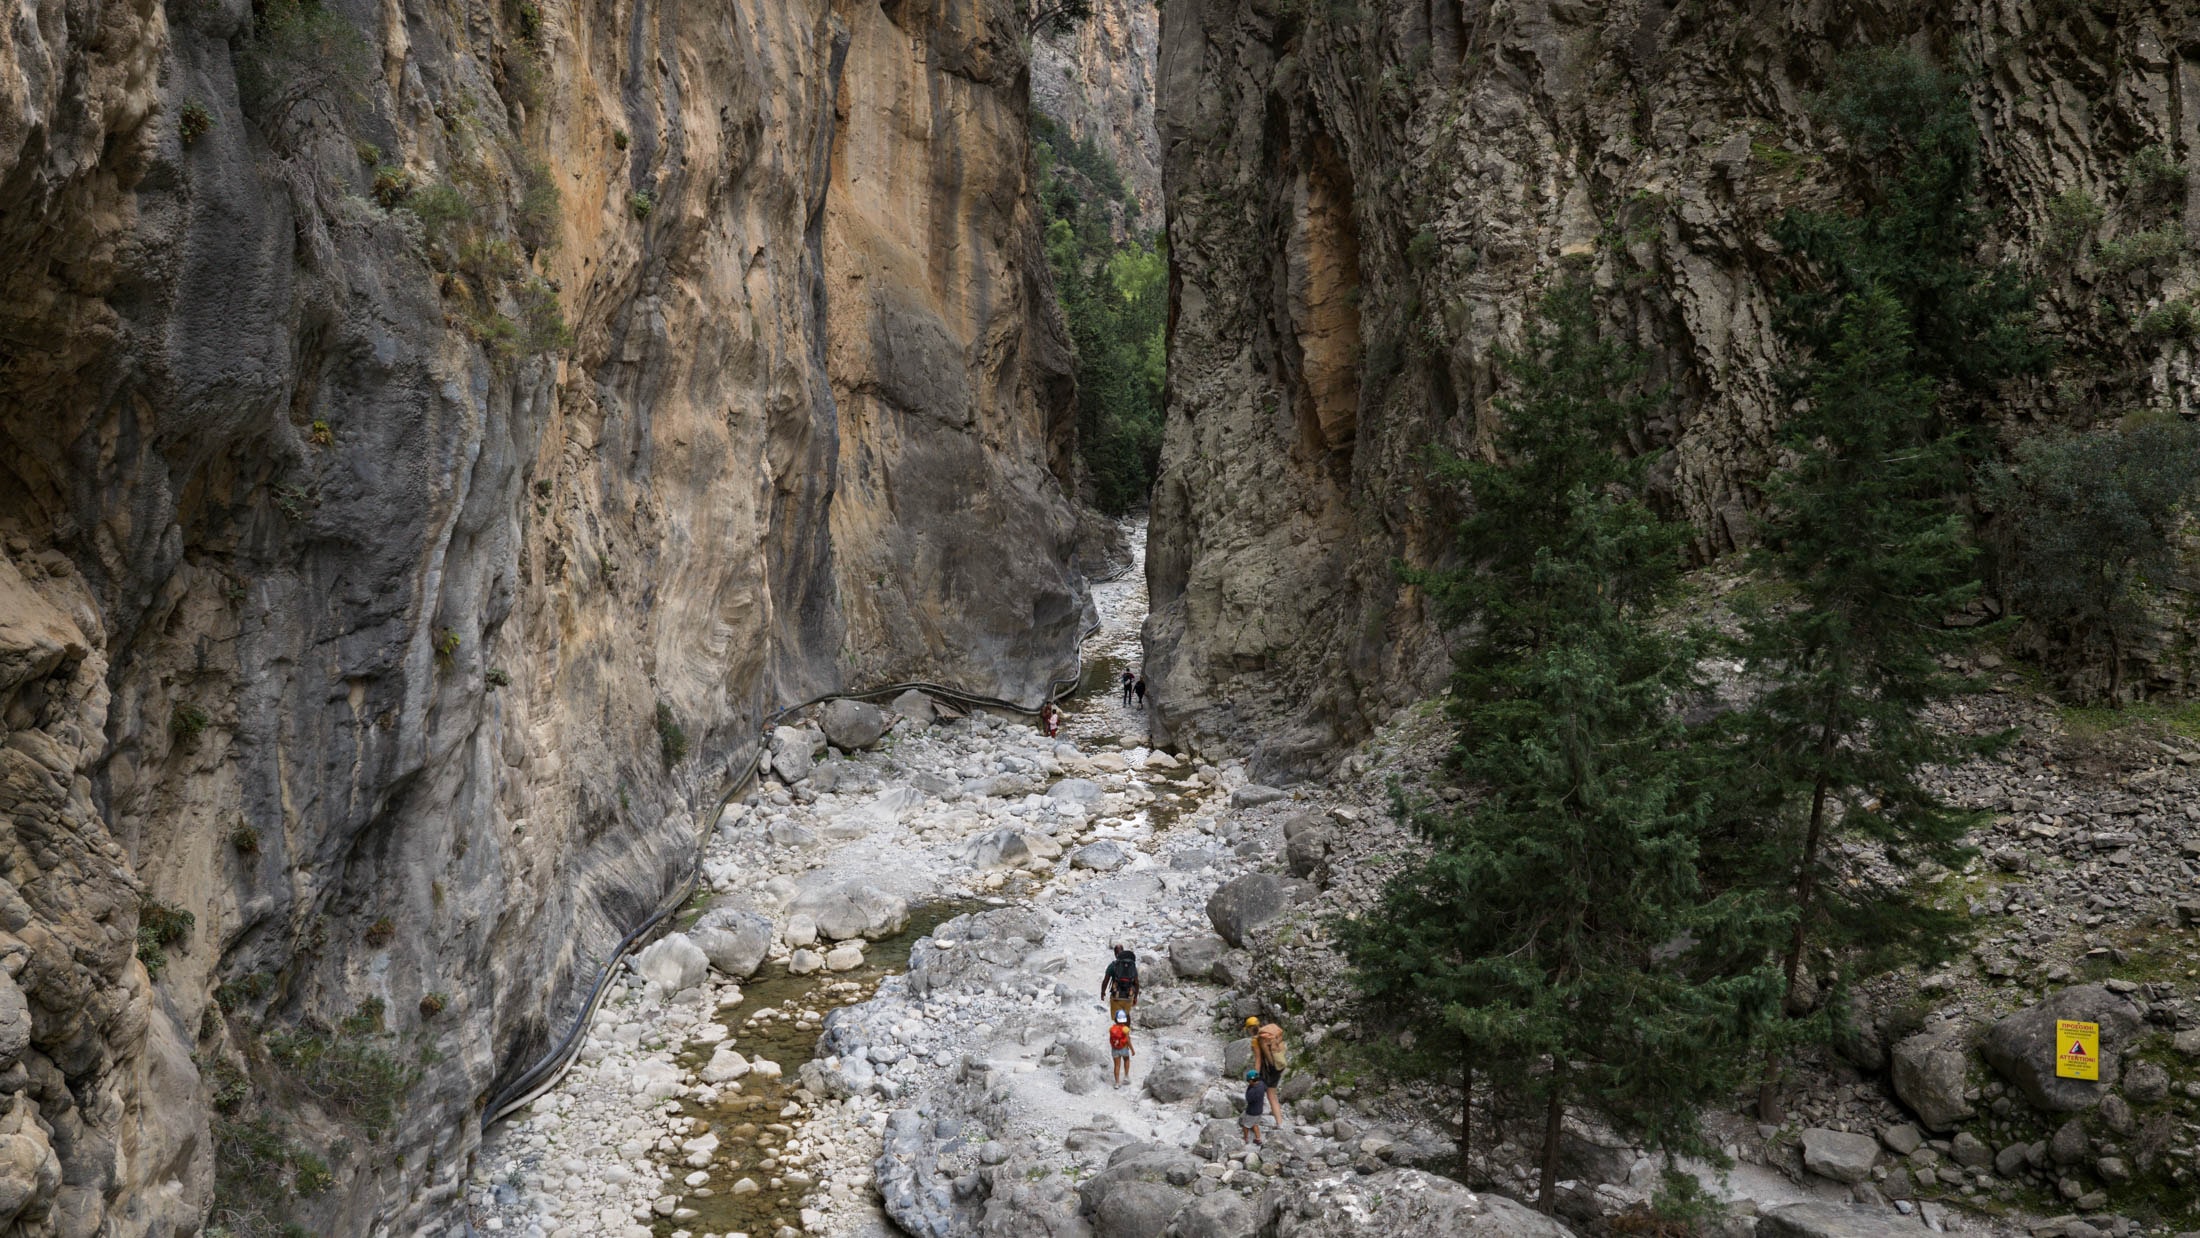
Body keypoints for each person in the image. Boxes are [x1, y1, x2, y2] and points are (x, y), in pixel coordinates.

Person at [1248, 1016, 1288, 1123]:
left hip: (1270, 1069)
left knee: (1268, 1095)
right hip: (1278, 1065)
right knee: (1273, 1095)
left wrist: (1254, 1077)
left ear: (1250, 1028)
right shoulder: (1269, 1034)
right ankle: (1280, 1123)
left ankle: (1253, 1119)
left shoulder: (1256, 1040)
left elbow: (1258, 1060)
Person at [1101, 945, 1140, 1023]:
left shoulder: (1112, 965)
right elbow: (1136, 983)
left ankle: (1119, 1029)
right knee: (1127, 1014)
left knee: (1117, 1015)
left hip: (1116, 995)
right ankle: (1126, 1030)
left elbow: (1105, 981)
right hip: (1129, 995)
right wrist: (1135, 996)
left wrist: (1103, 992)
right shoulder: (1131, 965)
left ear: (1115, 954)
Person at [1240, 1069, 1268, 1145]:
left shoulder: (1253, 1090)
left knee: (1246, 1125)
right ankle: (1258, 1139)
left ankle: (1245, 1138)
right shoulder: (1262, 1084)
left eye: (1248, 1081)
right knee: (1255, 1124)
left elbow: (1248, 1098)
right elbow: (1266, 1087)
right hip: (1259, 1110)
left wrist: (1249, 1088)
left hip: (1252, 1112)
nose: (1248, 1082)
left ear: (1251, 1080)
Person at [1109, 1009, 1134, 1085]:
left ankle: (1117, 1083)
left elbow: (1111, 1039)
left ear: (1116, 1019)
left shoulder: (1111, 1029)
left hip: (1115, 1049)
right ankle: (1126, 1076)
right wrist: (1132, 1049)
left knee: (1117, 1066)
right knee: (1126, 1060)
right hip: (1124, 1048)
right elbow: (1128, 1040)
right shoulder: (1125, 1029)